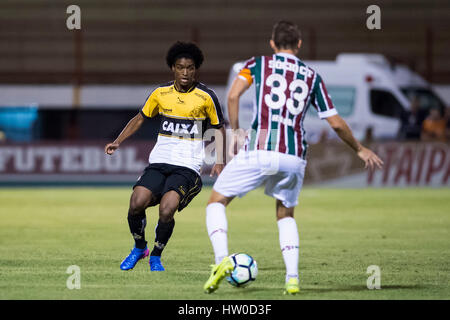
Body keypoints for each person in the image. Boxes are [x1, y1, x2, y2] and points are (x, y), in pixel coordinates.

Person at [202, 21, 384, 295]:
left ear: (272, 44)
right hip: (294, 154)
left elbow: (233, 95)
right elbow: (335, 123)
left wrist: (237, 133)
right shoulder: (312, 76)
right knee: (285, 214)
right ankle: (292, 279)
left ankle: (220, 262)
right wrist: (360, 149)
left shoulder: (257, 64)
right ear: (299, 45)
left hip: (260, 147)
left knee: (216, 202)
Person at [105, 41, 225, 272]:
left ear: (196, 69)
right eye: (180, 67)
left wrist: (220, 160)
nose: (185, 72)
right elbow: (140, 118)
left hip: (187, 167)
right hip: (159, 162)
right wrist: (118, 141)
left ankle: (156, 256)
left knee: (167, 209)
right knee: (136, 202)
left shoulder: (206, 96)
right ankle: (140, 248)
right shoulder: (160, 93)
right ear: (173, 68)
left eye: (190, 67)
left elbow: (219, 128)